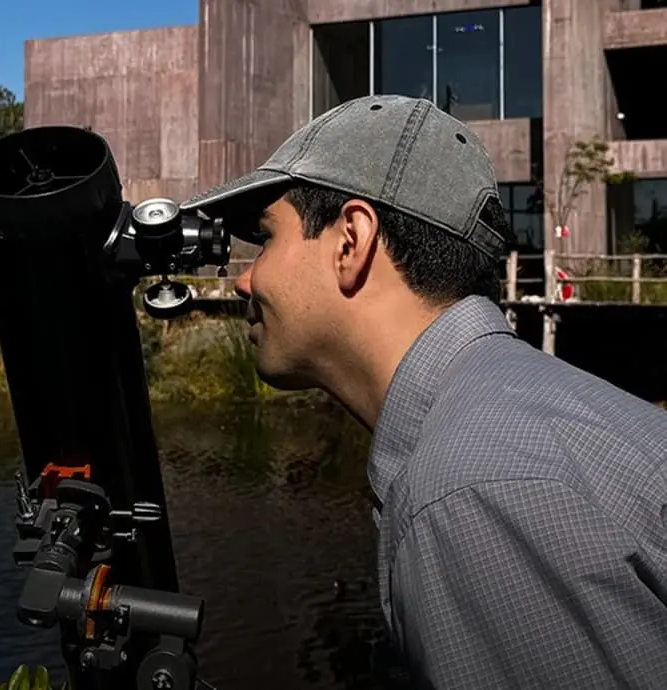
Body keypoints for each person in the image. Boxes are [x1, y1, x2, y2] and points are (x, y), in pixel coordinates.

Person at [181, 93, 667, 688]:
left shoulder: (468, 491)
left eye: (266, 238)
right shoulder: (527, 409)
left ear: (350, 242)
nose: (244, 277)